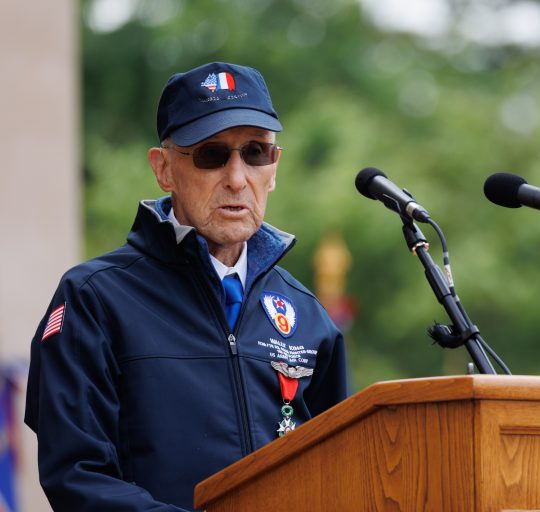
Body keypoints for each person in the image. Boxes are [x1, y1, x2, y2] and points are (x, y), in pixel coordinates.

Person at [24, 62, 348, 511]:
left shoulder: (308, 314)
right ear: (164, 169)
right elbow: (76, 477)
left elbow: (342, 472)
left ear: (274, 167)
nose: (237, 178)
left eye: (255, 152)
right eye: (211, 155)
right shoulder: (93, 299)